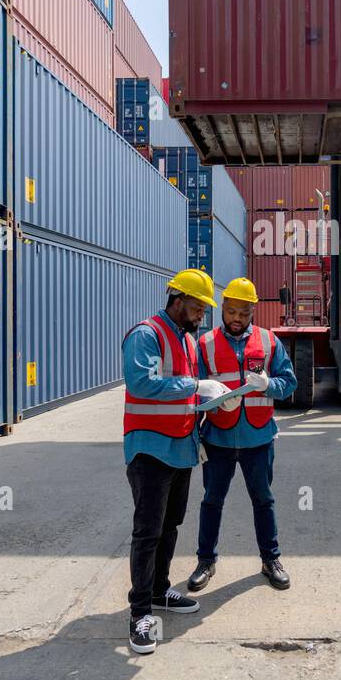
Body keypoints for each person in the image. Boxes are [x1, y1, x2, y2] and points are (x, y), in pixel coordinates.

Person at [121, 268, 237, 655]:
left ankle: (158, 591)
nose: (203, 313)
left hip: (181, 448)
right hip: (150, 451)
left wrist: (214, 398)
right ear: (178, 300)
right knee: (147, 531)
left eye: (205, 307)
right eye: (199, 306)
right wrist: (195, 385)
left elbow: (183, 396)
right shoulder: (146, 335)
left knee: (170, 525)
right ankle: (139, 615)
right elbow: (142, 384)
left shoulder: (186, 341)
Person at [187, 277, 297, 594]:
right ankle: (205, 561)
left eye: (244, 313)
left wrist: (268, 385)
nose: (237, 319)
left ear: (253, 311)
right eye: (232, 311)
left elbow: (289, 382)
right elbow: (191, 392)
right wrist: (205, 396)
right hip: (218, 439)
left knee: (263, 501)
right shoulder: (205, 344)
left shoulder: (268, 341)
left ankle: (270, 560)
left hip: (258, 439)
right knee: (211, 501)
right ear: (223, 307)